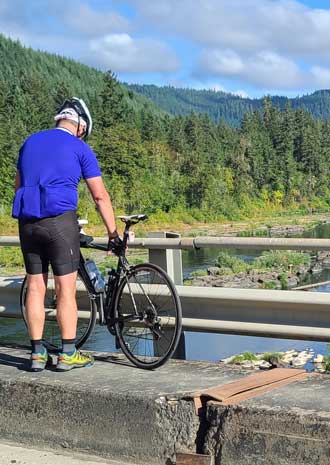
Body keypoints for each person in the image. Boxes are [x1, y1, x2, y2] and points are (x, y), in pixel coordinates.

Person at [12, 97, 121, 372]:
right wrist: (113, 232)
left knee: (36, 287)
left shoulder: (30, 142)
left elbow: (18, 186)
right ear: (81, 126)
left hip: (27, 223)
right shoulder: (79, 147)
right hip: (60, 222)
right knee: (65, 289)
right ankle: (68, 353)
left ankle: (37, 354)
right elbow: (99, 195)